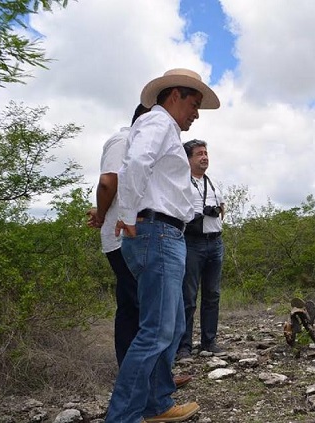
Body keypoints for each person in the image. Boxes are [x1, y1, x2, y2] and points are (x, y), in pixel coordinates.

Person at [105, 68, 220, 423]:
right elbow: (135, 162)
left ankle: (158, 404)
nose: (196, 113)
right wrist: (126, 213)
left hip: (165, 232)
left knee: (165, 328)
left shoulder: (163, 127)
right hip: (156, 232)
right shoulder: (158, 123)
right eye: (194, 103)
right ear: (175, 95)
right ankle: (123, 416)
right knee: (155, 330)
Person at [86, 104, 192, 389]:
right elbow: (109, 182)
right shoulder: (126, 139)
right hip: (130, 234)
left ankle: (154, 384)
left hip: (134, 231)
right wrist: (109, 213)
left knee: (147, 315)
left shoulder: (148, 136)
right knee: (145, 317)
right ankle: (138, 389)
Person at [176, 139, 225, 358]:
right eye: (199, 154)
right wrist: (199, 214)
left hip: (215, 242)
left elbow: (222, 207)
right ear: (188, 159)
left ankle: (209, 341)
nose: (204, 157)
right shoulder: (181, 182)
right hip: (192, 242)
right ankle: (184, 345)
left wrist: (214, 211)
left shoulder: (212, 183)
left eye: (206, 153)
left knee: (212, 294)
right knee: (188, 295)